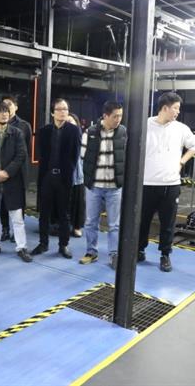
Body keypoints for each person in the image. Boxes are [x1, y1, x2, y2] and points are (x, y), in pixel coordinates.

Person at [139, 92, 195, 272]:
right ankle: (139, 250)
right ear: (165, 108)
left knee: (168, 223)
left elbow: (194, 146)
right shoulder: (145, 125)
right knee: (142, 221)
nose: (178, 112)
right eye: (175, 108)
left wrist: (182, 162)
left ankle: (165, 255)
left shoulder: (181, 128)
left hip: (170, 184)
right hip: (147, 183)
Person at [0, 102, 32, 263]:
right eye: (1, 112)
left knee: (17, 217)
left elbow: (21, 155)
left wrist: (7, 172)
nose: (4, 114)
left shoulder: (17, 133)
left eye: (6, 112)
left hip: (12, 181)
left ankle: (21, 247)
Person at [78, 101, 126, 270]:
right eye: (115, 116)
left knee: (114, 225)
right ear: (105, 116)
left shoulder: (123, 132)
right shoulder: (90, 132)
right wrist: (88, 180)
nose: (118, 119)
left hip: (115, 187)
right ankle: (91, 252)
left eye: (120, 116)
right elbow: (83, 157)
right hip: (94, 187)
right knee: (91, 222)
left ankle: (114, 255)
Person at [31, 98, 81, 259]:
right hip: (47, 176)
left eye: (65, 109)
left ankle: (63, 245)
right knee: (44, 213)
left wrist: (68, 174)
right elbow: (41, 154)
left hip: (64, 178)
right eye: (59, 109)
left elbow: (75, 156)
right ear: (53, 112)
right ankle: (43, 243)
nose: (63, 112)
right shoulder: (44, 131)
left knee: (64, 213)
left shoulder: (74, 131)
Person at [0, 96, 32, 243]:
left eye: (9, 104)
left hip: (18, 171)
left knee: (19, 203)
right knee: (3, 202)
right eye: (4, 104)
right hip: (2, 170)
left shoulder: (24, 125)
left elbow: (27, 149)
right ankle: (5, 229)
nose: (7, 107)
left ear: (16, 107)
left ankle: (16, 232)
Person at [67, 113, 85, 238]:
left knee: (78, 202)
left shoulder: (82, 137)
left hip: (78, 175)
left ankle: (77, 226)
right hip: (62, 175)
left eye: (71, 122)